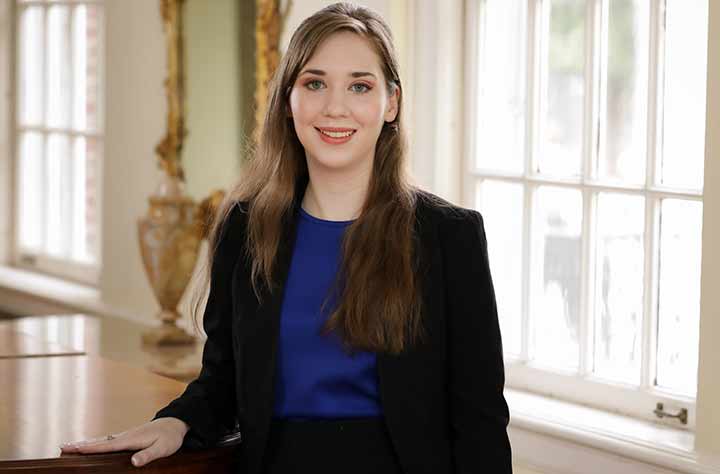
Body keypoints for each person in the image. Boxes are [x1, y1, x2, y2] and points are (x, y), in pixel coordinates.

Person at [60, 2, 512, 473]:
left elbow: (480, 424)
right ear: (288, 98)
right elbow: (223, 385)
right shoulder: (244, 227)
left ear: (391, 102)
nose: (335, 107)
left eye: (360, 86)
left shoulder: (449, 237)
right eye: (314, 83)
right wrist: (177, 421)